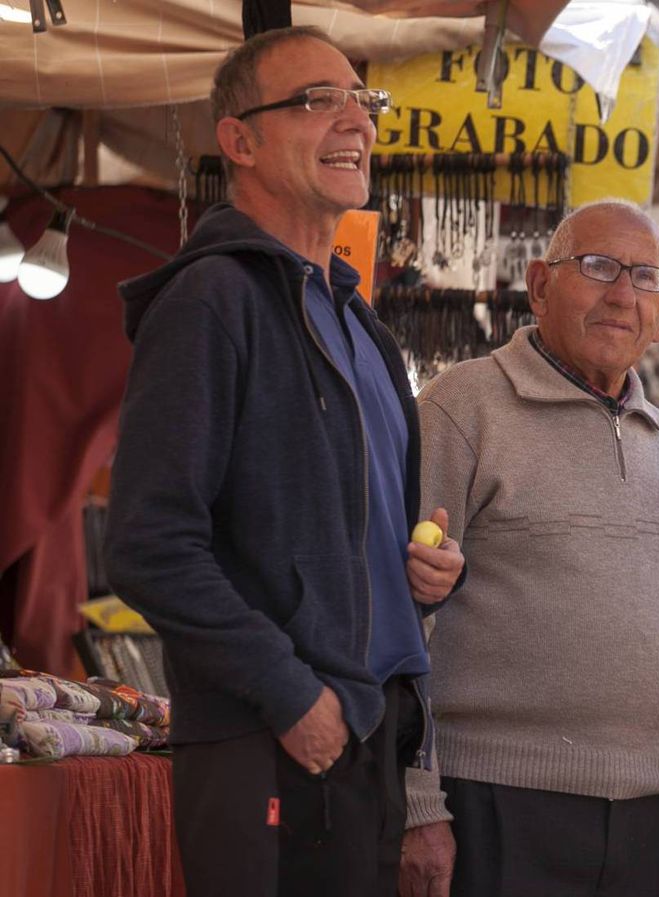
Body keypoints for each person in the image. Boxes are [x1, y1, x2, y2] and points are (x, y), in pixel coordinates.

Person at [104, 26, 464, 897]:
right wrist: (290, 695)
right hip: (271, 736)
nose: (355, 120)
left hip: (368, 734)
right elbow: (150, 543)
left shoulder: (364, 329)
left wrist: (419, 571)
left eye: (362, 101)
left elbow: (336, 533)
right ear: (240, 140)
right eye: (316, 100)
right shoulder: (211, 299)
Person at [398, 200, 659, 897]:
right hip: (499, 805)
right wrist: (417, 803)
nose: (622, 294)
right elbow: (395, 614)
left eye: (646, 277)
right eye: (597, 267)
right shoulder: (462, 408)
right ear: (539, 285)